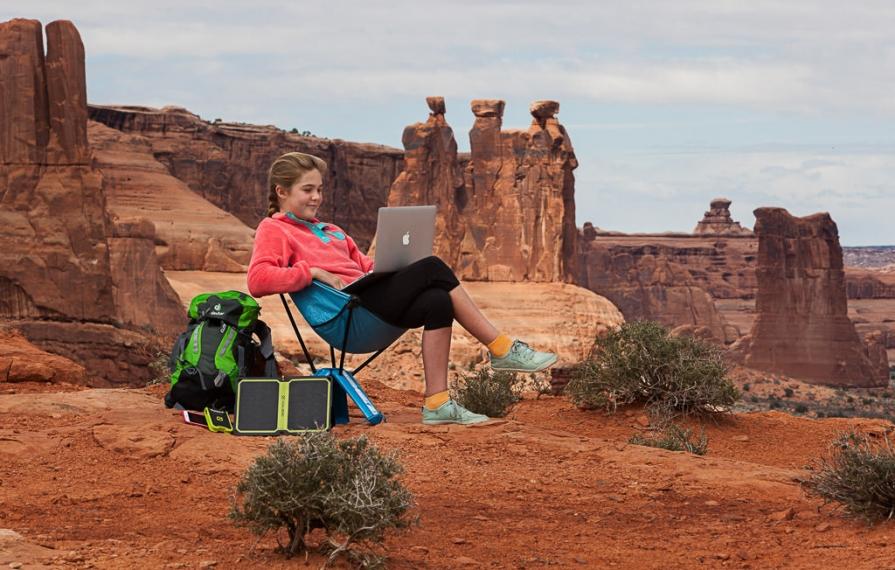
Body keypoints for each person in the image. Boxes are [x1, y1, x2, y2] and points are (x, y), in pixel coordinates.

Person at [246, 152, 557, 425]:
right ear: (282, 191)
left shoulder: (333, 230)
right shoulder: (274, 229)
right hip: (344, 316)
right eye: (307, 190)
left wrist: (391, 267)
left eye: (320, 190)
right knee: (433, 266)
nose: (316, 197)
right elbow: (258, 280)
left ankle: (438, 404)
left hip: (369, 302)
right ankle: (502, 349)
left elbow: (365, 267)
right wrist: (312, 271)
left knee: (437, 301)